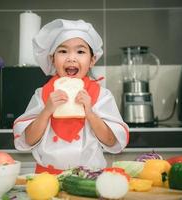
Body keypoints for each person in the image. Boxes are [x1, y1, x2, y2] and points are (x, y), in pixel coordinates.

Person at [13, 19, 129, 174]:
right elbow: (28, 140)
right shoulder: (42, 95)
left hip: (89, 178)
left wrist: (90, 114)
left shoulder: (102, 95)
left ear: (92, 60)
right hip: (47, 178)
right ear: (52, 59)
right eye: (63, 51)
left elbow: (111, 141)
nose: (71, 58)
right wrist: (46, 111)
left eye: (80, 51)